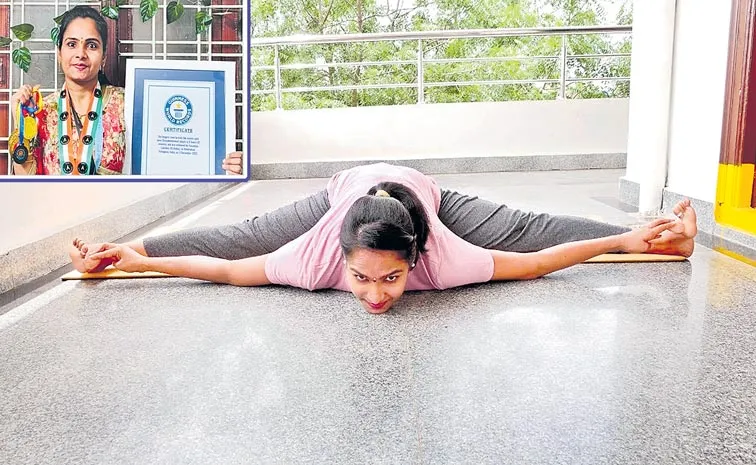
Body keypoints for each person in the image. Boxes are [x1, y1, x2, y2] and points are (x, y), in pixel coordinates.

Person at [75, 163, 697, 314]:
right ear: (337, 258)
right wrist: (141, 256)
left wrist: (636, 237)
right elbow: (228, 265)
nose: (375, 296)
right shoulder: (314, 255)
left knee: (521, 224)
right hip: (344, 192)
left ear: (416, 260)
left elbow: (540, 257)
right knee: (244, 236)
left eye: (392, 278)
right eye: (361, 278)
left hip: (419, 191)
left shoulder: (444, 257)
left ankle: (662, 235)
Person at [10, 5, 243, 176]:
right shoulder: (39, 110)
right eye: (72, 44)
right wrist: (21, 123)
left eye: (91, 45)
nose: (81, 53)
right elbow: (26, 184)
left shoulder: (131, 103)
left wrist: (221, 164)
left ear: (103, 56)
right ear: (59, 52)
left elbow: (174, 148)